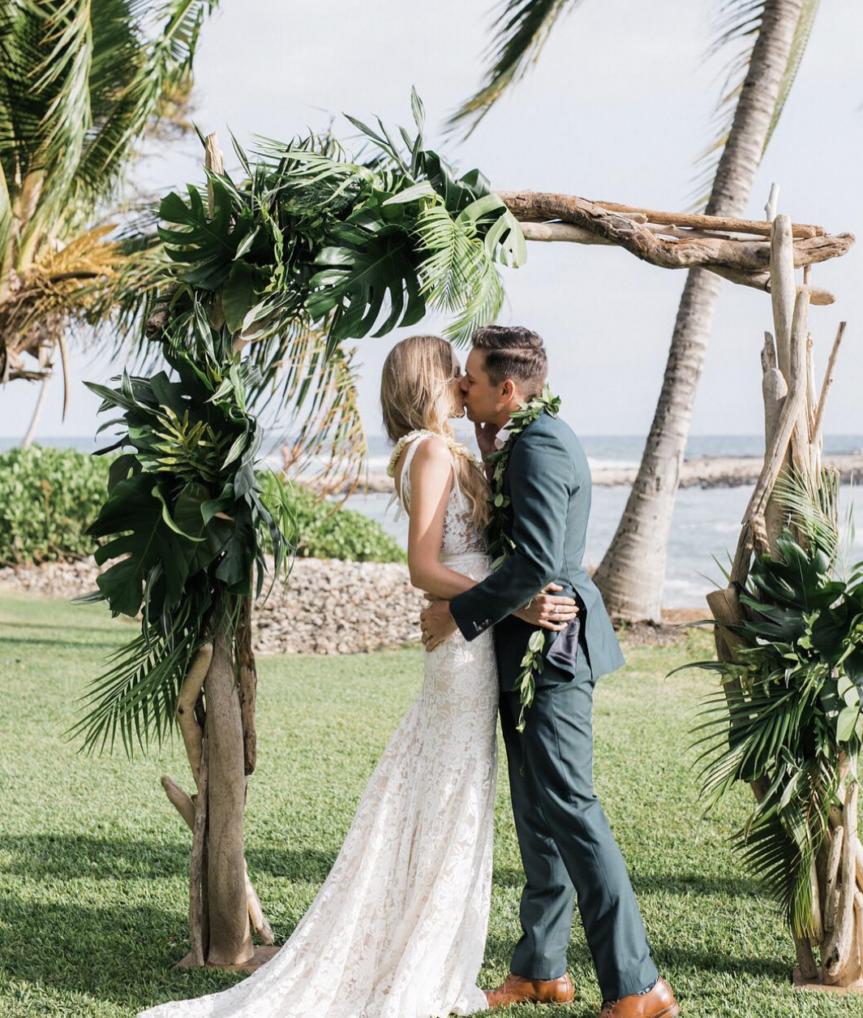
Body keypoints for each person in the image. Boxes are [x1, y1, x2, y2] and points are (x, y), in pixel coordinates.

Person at [136, 333, 575, 1018]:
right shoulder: (428, 453)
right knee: (449, 798)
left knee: (451, 793)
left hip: (470, 637)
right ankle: (417, 959)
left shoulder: (440, 448)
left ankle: (425, 946)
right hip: (462, 647)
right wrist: (512, 599)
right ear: (430, 383)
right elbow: (424, 569)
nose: (465, 383)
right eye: (453, 375)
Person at [420, 326, 679, 1018]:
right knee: (537, 816)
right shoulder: (518, 440)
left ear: (509, 390)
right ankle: (539, 969)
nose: (461, 387)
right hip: (524, 647)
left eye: (471, 378)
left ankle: (637, 984)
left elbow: (536, 562)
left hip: (555, 652)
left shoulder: (537, 446)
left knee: (571, 809)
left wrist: (457, 612)